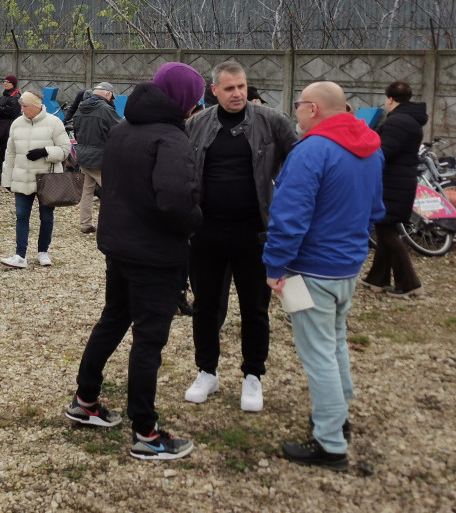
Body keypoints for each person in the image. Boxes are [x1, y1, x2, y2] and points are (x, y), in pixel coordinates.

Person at [65, 62, 205, 462]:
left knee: (113, 319)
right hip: (155, 255)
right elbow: (176, 201)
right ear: (183, 100)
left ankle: (85, 398)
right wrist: (196, 225)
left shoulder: (125, 129)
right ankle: (146, 431)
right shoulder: (171, 139)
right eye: (194, 99)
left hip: (120, 246)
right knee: (148, 340)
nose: (196, 107)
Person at [263, 81, 384, 470]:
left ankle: (330, 443)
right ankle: (338, 417)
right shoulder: (370, 147)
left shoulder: (311, 150)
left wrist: (275, 266)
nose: (295, 112)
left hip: (310, 270)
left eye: (298, 105)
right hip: (347, 265)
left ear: (312, 108)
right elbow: (375, 209)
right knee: (334, 344)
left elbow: (289, 216)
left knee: (318, 356)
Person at [182, 61, 298, 413]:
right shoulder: (197, 125)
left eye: (242, 87)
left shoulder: (273, 122)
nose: (237, 94)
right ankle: (207, 370)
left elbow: (299, 165)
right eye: (229, 88)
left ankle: (253, 375)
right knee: (205, 305)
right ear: (213, 91)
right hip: (207, 231)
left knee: (255, 307)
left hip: (255, 232)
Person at [361, 81, 426, 297]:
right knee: (384, 229)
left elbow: (383, 152)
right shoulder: (410, 120)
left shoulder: (397, 122)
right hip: (401, 181)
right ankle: (377, 279)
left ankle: (410, 284)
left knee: (388, 233)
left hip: (392, 183)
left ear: (389, 99)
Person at [0, 90, 71, 268]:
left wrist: (45, 152)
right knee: (21, 216)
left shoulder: (54, 123)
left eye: (25, 106)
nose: (22, 109)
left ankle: (43, 251)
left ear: (36, 107)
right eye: (21, 106)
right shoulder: (17, 123)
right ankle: (20, 254)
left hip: (47, 179)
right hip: (22, 178)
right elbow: (10, 154)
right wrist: (7, 180)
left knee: (46, 217)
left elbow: (65, 150)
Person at [72, 82, 119, 235]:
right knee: (113, 192)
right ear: (108, 94)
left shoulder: (80, 108)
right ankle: (111, 226)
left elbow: (76, 132)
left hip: (83, 155)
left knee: (87, 192)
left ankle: (85, 224)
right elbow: (119, 130)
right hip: (101, 158)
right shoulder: (106, 109)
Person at [0, 75, 21, 163]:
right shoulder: (5, 95)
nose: (5, 83)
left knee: (6, 155)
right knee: (3, 154)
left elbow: (11, 112)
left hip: (8, 129)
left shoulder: (15, 96)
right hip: (2, 129)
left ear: (13, 84)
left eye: (8, 82)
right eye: (4, 81)